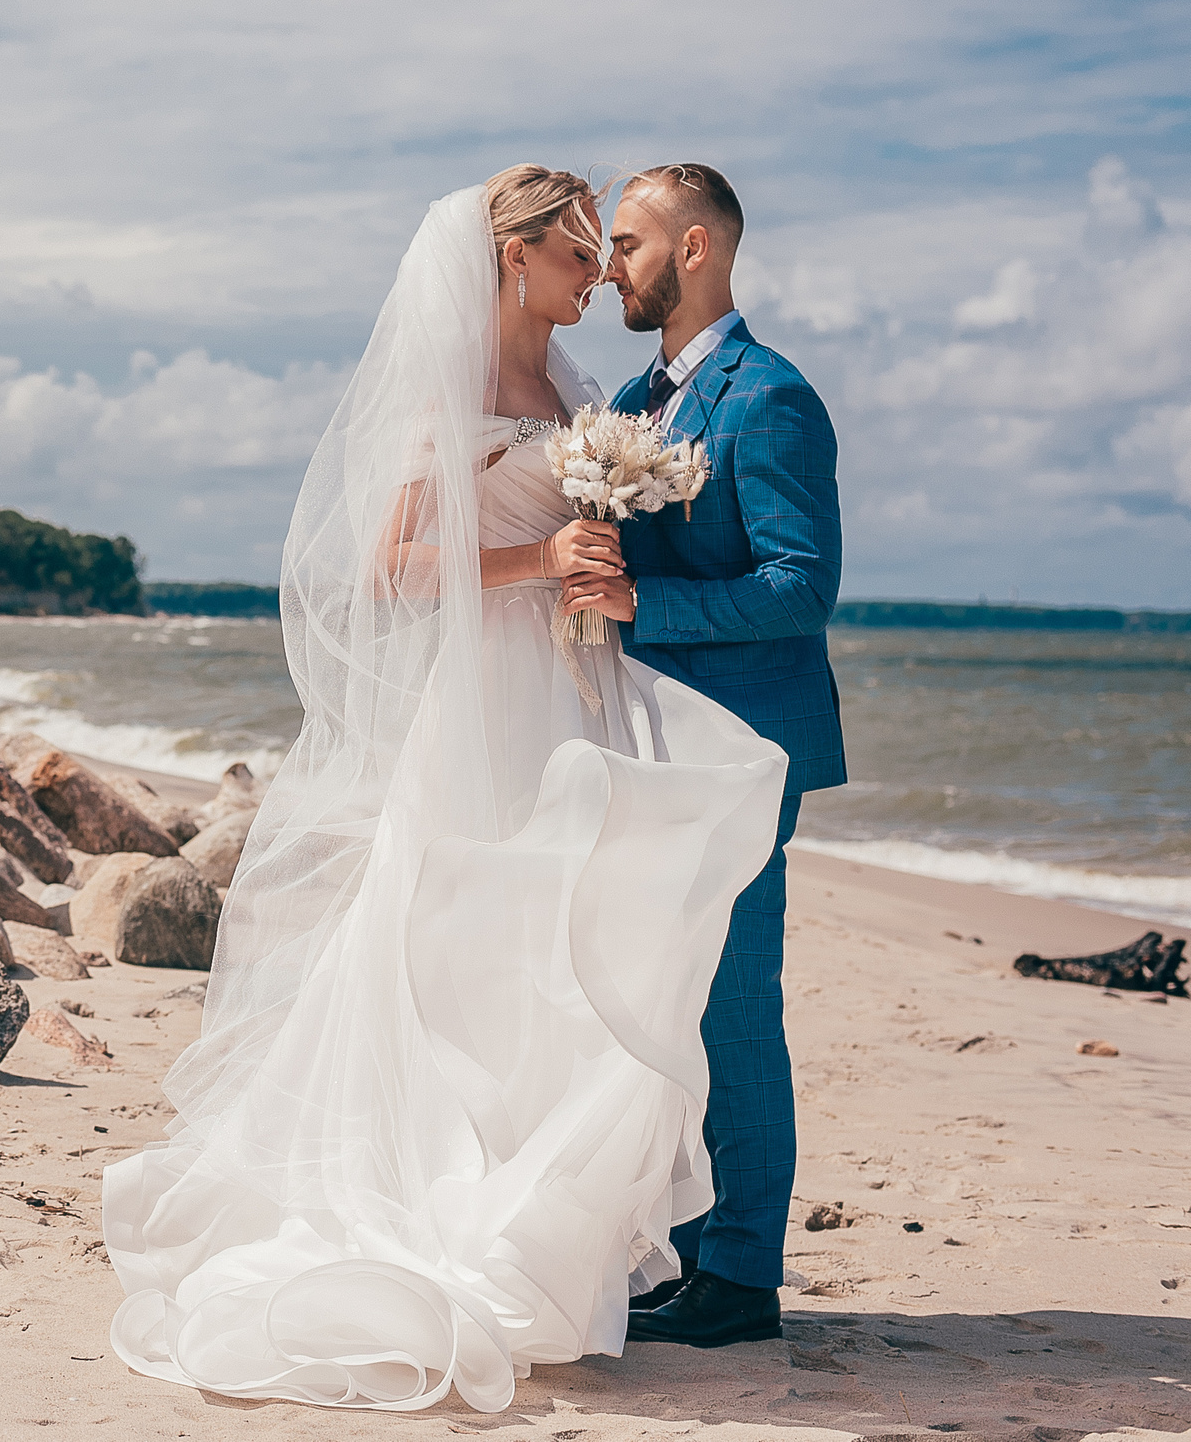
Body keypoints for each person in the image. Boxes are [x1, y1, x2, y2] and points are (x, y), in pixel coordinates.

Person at [102, 169, 792, 1410]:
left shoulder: (582, 391)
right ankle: (454, 1216)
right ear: (514, 254)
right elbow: (394, 564)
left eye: (605, 247)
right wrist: (539, 557)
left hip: (573, 693)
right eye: (579, 248)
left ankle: (558, 1239)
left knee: (555, 959)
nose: (596, 270)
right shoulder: (453, 384)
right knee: (467, 952)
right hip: (486, 701)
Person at [586, 163, 846, 1350]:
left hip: (743, 750)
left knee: (734, 1005)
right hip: (655, 745)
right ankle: (693, 1254)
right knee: (673, 999)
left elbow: (801, 586)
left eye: (629, 243)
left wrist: (639, 602)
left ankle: (741, 1275)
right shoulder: (640, 399)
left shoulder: (770, 397)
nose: (608, 267)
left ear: (696, 249)